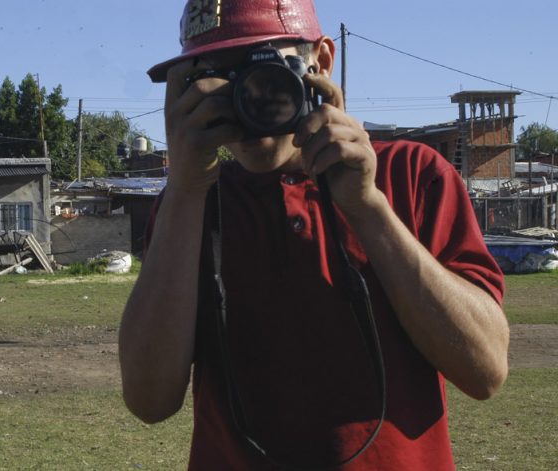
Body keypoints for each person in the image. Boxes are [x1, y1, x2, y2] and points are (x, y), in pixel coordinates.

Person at [118, 1, 510, 470]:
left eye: (261, 69)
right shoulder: (190, 204)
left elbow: (485, 370)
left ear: (320, 62)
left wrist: (368, 207)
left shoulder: (412, 174)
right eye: (218, 77)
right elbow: (149, 401)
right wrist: (183, 190)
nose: (246, 96)